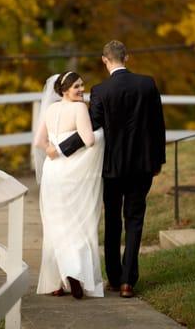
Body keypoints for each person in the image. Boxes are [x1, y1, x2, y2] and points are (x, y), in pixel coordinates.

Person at [47, 40, 166, 298]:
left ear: (104, 60)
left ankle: (114, 277)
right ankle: (127, 282)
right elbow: (158, 126)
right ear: (127, 57)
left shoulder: (101, 90)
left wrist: (60, 148)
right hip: (142, 166)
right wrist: (158, 162)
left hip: (112, 168)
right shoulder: (148, 84)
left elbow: (91, 127)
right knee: (134, 220)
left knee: (113, 220)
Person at [34, 72, 104, 299]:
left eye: (83, 85)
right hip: (72, 173)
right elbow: (89, 139)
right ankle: (74, 273)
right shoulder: (79, 109)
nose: (82, 90)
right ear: (64, 90)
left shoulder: (50, 109)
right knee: (77, 223)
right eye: (77, 86)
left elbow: (39, 142)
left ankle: (56, 281)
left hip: (52, 173)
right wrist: (101, 133)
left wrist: (51, 149)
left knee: (55, 224)